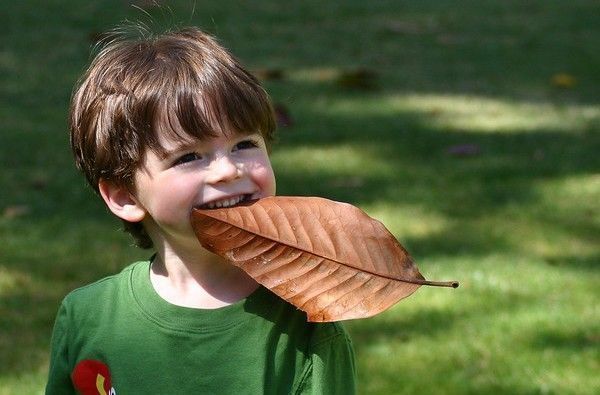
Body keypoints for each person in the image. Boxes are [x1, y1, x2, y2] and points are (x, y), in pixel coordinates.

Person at [46, 26, 356, 394]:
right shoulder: (87, 318)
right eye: (190, 156)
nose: (228, 170)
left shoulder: (309, 329)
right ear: (125, 197)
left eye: (244, 144)